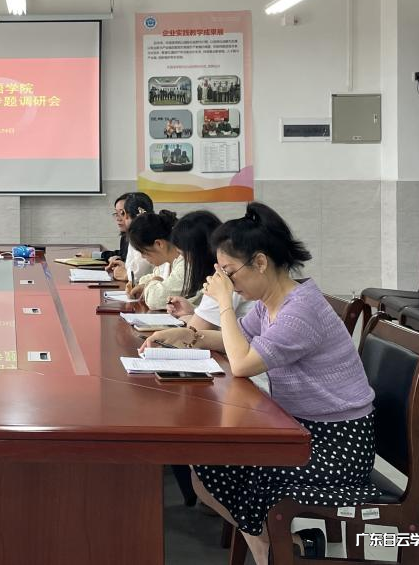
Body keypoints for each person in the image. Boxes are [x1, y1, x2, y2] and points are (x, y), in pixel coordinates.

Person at [184, 203, 378, 565]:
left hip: (338, 445)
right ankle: (281, 548)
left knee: (239, 468)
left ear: (260, 262)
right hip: (303, 430)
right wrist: (186, 336)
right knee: (211, 461)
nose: (229, 283)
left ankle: (275, 551)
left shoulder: (300, 311)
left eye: (230, 273)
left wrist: (223, 301)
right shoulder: (270, 303)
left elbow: (241, 363)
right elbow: (235, 341)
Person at [138, 211, 252, 348]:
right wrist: (193, 311)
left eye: (183, 255)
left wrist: (191, 320)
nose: (184, 261)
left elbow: (192, 333)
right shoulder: (226, 271)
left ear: (198, 253)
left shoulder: (223, 277)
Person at [126, 210, 186, 309]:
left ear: (159, 244)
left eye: (143, 251)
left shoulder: (185, 264)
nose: (142, 257)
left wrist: (152, 283)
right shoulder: (166, 262)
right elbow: (151, 277)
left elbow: (155, 300)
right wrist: (143, 285)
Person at [107, 193, 153, 284]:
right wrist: (125, 267)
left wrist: (126, 274)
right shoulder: (132, 235)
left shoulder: (147, 235)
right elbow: (132, 269)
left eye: (123, 214)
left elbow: (137, 275)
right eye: (117, 213)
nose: (120, 218)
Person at [100, 193, 133, 269]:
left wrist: (118, 262)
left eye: (122, 213)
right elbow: (122, 254)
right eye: (116, 213)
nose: (118, 218)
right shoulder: (125, 236)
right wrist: (94, 255)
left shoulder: (144, 240)